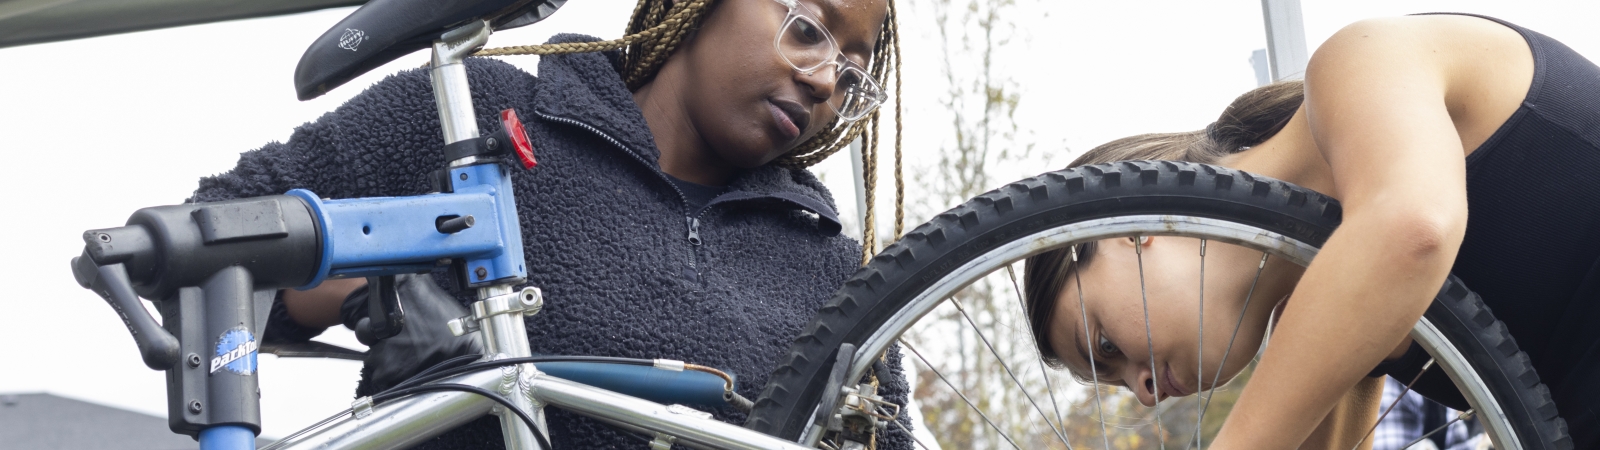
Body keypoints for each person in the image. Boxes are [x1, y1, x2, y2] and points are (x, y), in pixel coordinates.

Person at [188, 0, 914, 448]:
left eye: (853, 75)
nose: (824, 81)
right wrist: (378, 295)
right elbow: (217, 229)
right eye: (809, 29)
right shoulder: (472, 116)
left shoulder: (840, 275)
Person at [1022, 13, 1598, 449]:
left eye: (1105, 347)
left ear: (1128, 228)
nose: (1144, 393)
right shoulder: (1326, 325)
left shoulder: (1361, 60)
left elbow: (1411, 228)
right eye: (1118, 382)